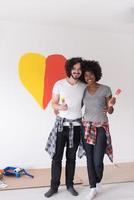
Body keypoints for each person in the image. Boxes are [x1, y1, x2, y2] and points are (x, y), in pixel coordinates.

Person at [45, 57, 86, 198]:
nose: (76, 71)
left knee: (71, 158)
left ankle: (70, 185)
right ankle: (54, 187)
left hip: (76, 127)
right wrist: (59, 107)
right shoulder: (59, 84)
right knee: (57, 158)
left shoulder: (83, 86)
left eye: (79, 69)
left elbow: (84, 104)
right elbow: (54, 103)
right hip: (61, 126)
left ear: (82, 71)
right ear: (69, 69)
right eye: (74, 69)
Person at [81, 60, 116, 200]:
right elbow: (78, 106)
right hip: (86, 126)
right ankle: (93, 187)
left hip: (101, 126)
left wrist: (110, 107)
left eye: (91, 74)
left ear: (96, 74)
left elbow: (111, 109)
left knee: (97, 160)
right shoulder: (82, 90)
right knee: (89, 158)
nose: (88, 77)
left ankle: (98, 180)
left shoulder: (105, 89)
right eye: (85, 75)